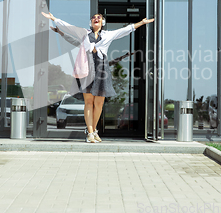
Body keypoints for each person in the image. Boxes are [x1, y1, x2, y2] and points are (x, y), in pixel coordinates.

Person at [42, 11, 154, 143]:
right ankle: (90, 133)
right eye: (94, 17)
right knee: (89, 102)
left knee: (99, 103)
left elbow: (125, 30)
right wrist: (54, 18)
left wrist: (141, 23)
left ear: (103, 22)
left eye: (99, 18)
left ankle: (92, 130)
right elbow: (69, 27)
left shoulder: (108, 35)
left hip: (102, 69)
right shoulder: (84, 33)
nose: (96, 19)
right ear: (91, 22)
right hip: (86, 69)